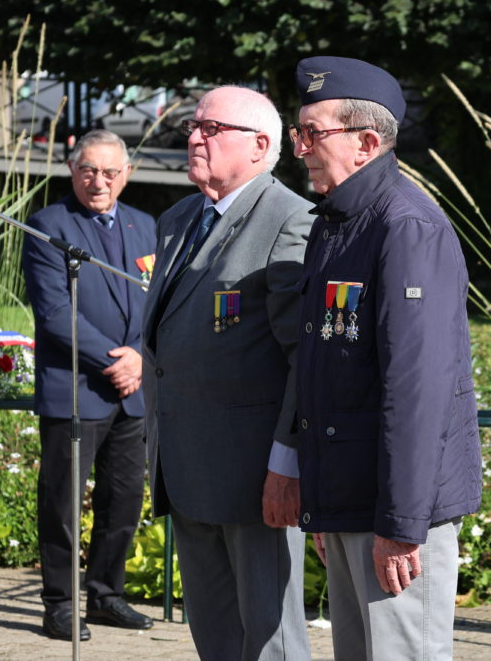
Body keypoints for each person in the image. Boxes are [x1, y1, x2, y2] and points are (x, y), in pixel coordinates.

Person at [287, 56, 482, 661]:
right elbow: (326, 371)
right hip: (351, 501)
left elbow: (418, 390)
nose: (300, 150)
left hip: (393, 515)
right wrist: (323, 502)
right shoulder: (338, 221)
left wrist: (400, 526)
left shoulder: (404, 227)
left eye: (312, 134)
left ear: (366, 143)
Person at [143, 86, 314, 660]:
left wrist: (287, 464)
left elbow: (303, 361)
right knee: (214, 636)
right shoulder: (179, 218)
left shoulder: (291, 221)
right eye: (194, 125)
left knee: (271, 640)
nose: (194, 136)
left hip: (253, 478)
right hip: (186, 465)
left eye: (212, 129)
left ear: (261, 145)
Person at [22, 129, 156, 641]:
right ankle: (59, 604)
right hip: (77, 387)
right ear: (72, 171)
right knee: (62, 504)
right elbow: (55, 313)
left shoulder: (146, 226)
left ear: (126, 175)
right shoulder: (48, 226)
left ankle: (106, 595)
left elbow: (159, 301)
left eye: (110, 172)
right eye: (88, 170)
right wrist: (113, 360)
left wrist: (141, 360)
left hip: (133, 391)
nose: (98, 181)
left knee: (123, 499)